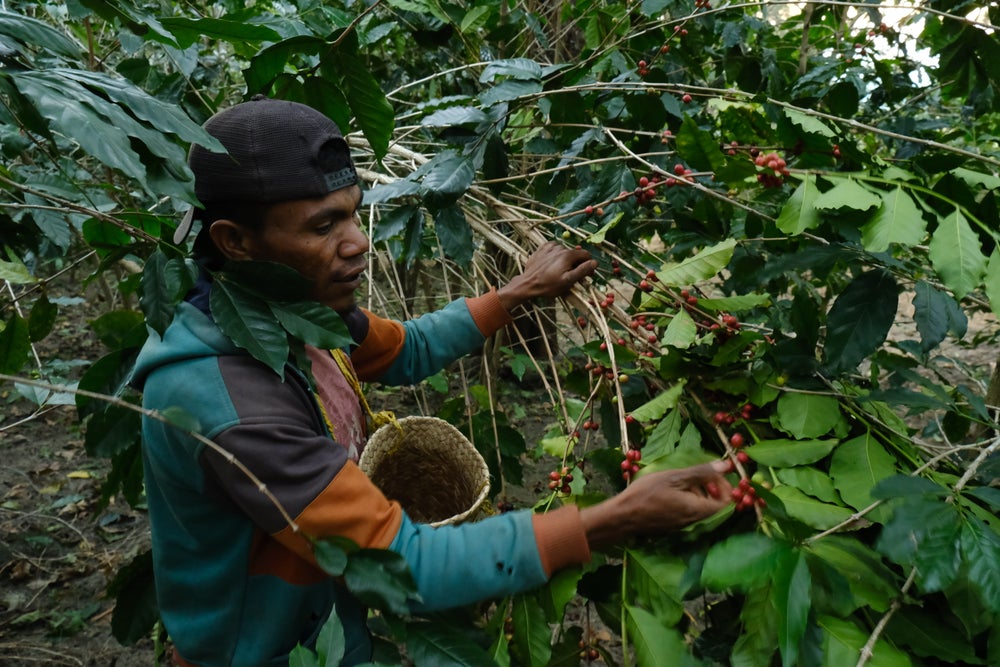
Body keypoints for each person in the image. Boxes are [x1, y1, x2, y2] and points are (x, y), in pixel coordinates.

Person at [130, 96, 733, 667]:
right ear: (234, 241)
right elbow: (403, 566)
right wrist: (610, 519)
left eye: (353, 214)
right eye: (322, 227)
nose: (358, 243)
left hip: (322, 620)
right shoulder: (231, 405)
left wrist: (516, 295)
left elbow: (406, 348)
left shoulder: (289, 311)